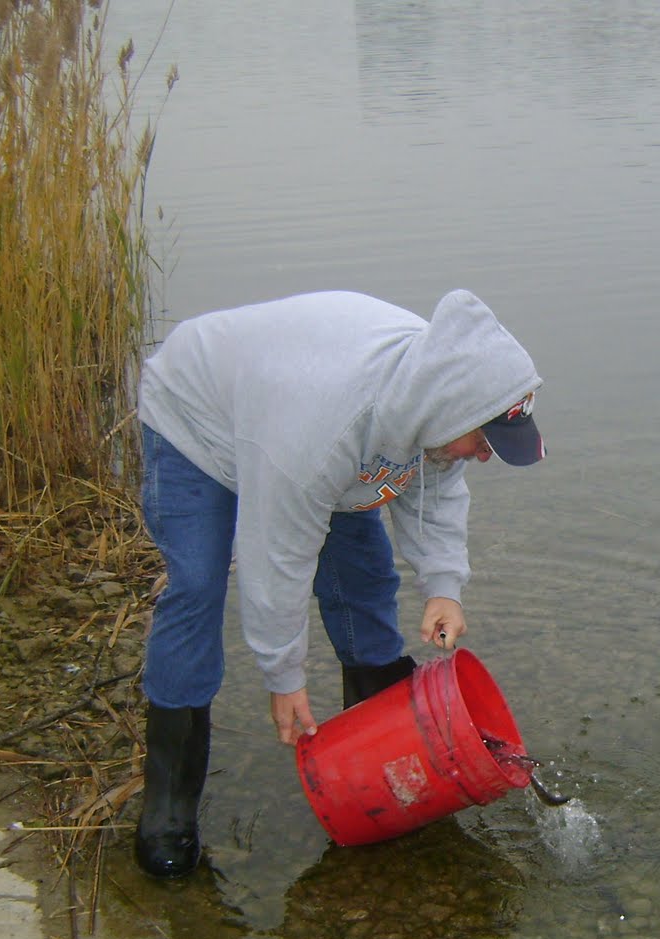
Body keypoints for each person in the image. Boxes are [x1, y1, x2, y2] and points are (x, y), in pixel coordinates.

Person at [131, 289, 545, 879]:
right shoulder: (321, 432)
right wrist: (284, 675)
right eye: (483, 441)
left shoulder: (434, 403)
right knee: (198, 587)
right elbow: (277, 554)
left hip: (298, 427)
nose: (483, 456)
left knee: (365, 573)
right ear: (450, 414)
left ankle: (386, 745)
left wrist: (444, 586)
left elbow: (437, 489)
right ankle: (169, 798)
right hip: (197, 421)